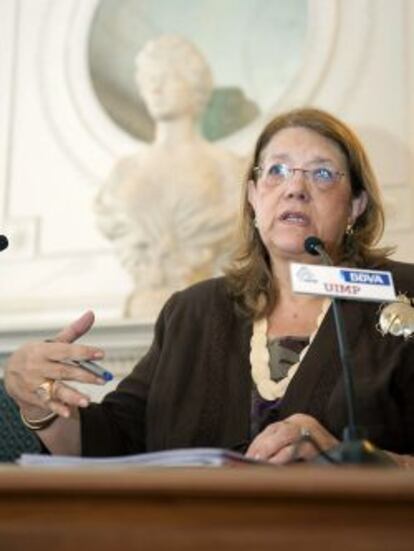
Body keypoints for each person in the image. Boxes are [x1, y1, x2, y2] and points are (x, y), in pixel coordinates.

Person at [4, 107, 414, 467]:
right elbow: (110, 446)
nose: (295, 188)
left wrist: (348, 459)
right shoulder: (193, 313)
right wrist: (37, 399)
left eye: (322, 173)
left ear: (356, 206)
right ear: (253, 197)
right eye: (276, 170)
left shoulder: (403, 295)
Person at [95, 35, 245, 319]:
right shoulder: (123, 172)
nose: (155, 87)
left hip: (204, 309)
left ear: (195, 85)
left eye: (168, 77)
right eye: (149, 78)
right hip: (140, 307)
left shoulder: (228, 168)